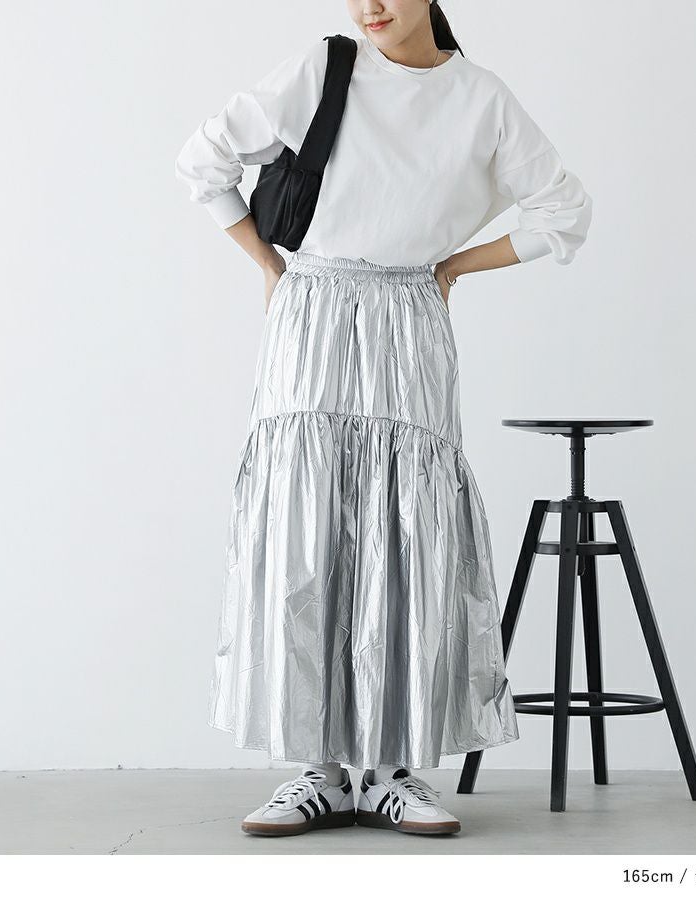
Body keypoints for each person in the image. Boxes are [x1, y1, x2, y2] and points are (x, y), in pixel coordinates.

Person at [174, 0, 592, 838]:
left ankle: (393, 768)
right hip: (312, 309)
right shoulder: (323, 69)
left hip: (409, 316)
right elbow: (202, 161)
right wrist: (270, 265)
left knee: (409, 530)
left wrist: (454, 268)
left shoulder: (480, 98)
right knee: (306, 529)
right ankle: (318, 769)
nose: (370, 5)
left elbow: (564, 211)